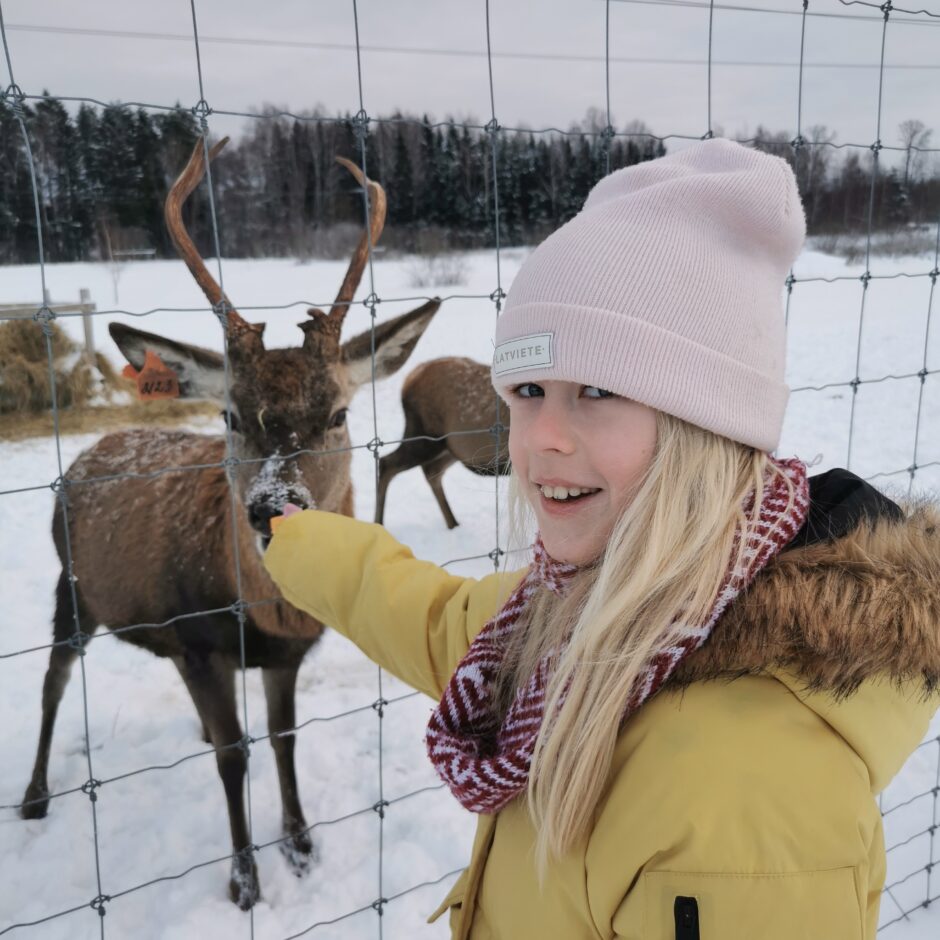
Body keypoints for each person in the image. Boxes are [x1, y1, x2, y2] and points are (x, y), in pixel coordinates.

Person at [262, 138, 940, 939]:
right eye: (526, 390)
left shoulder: (740, 802)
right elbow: (436, 615)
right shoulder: (565, 612)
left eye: (597, 389)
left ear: (708, 423)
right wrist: (296, 541)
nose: (540, 438)